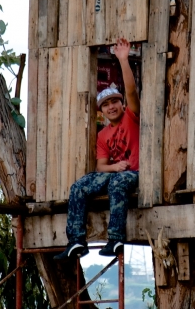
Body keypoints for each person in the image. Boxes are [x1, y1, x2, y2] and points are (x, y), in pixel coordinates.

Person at [54, 38, 140, 259]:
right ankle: (76, 242)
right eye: (106, 104)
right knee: (79, 186)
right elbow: (101, 166)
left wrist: (123, 59)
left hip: (135, 174)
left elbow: (130, 90)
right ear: (101, 110)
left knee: (119, 182)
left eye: (114, 102)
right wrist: (115, 166)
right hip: (116, 174)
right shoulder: (102, 135)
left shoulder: (131, 117)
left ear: (122, 104)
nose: (111, 107)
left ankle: (116, 239)